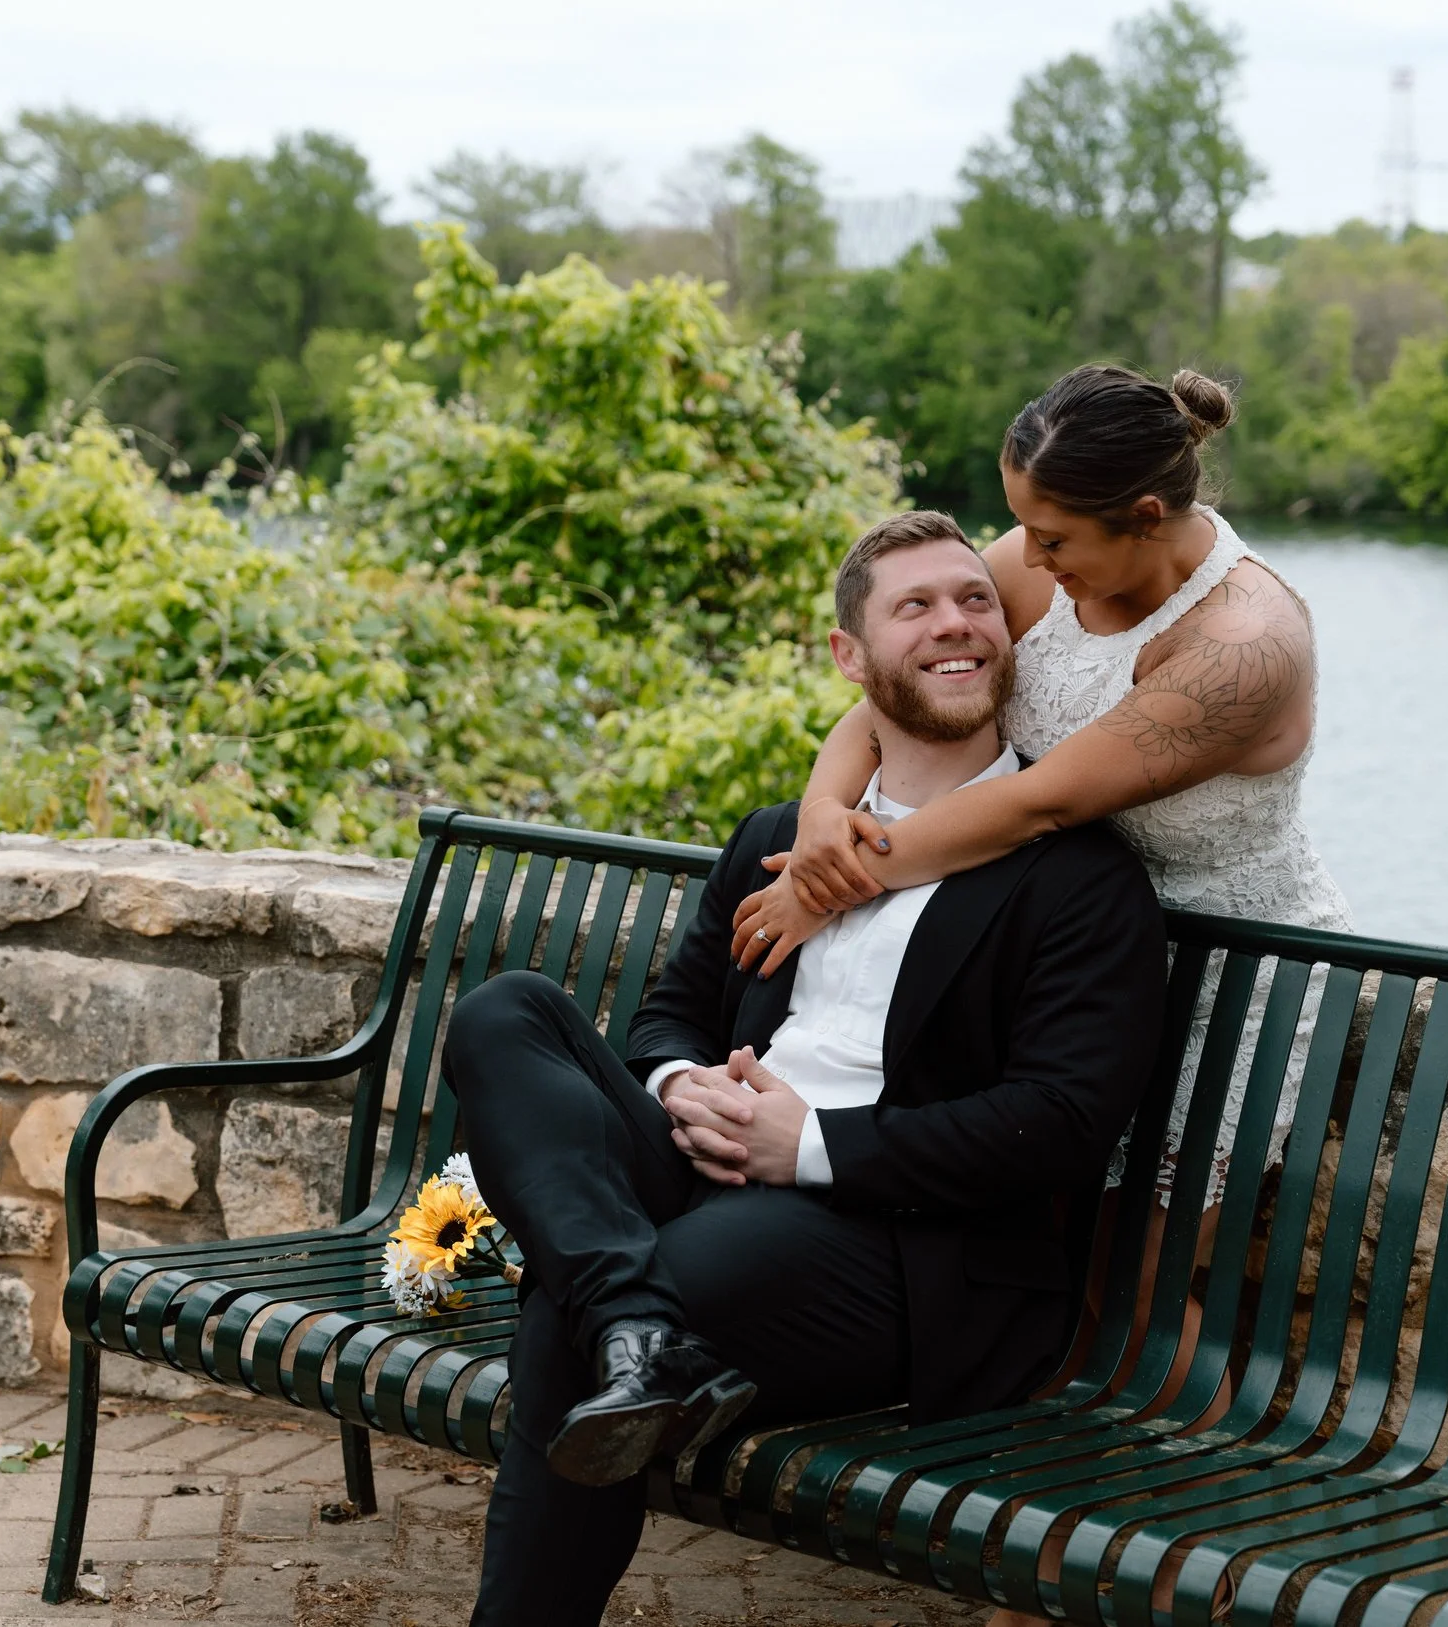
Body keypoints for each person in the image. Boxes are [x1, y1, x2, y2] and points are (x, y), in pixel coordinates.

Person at [440, 510, 1168, 1627]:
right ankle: (644, 1331)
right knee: (506, 1012)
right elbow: (669, 1013)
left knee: (574, 1305)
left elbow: (1061, 1120)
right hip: (711, 1166)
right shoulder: (784, 837)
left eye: (974, 598)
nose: (955, 624)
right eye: (913, 606)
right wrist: (685, 1086)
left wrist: (810, 1143)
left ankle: (632, 1329)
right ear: (849, 654)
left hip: (909, 1244)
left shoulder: (1073, 875)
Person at [732, 363, 1352, 1210]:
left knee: (1136, 1268)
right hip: (1056, 945)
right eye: (1022, 525)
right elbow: (890, 699)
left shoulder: (1243, 647)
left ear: (1142, 518)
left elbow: (1042, 801)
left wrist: (831, 891)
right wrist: (820, 816)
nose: (1023, 556)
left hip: (1221, 972)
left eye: (1050, 537)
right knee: (1027, 1235)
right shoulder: (1048, 563)